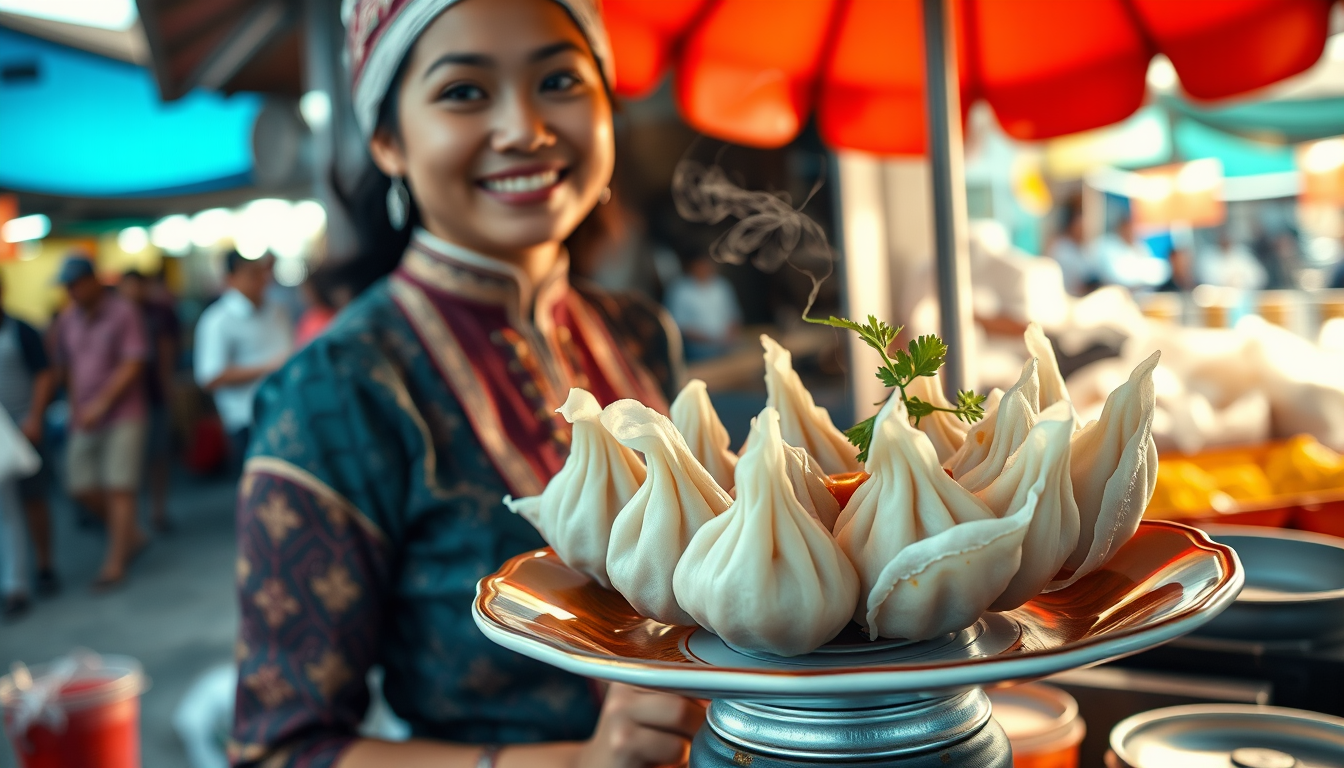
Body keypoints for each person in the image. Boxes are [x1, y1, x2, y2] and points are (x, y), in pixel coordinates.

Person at [229, 1, 700, 766]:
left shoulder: (639, 332)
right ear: (387, 139)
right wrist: (573, 763)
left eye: (558, 80)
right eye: (464, 92)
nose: (524, 128)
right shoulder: (337, 391)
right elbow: (281, 750)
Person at [50, 255, 149, 589]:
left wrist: (103, 402)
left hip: (123, 413)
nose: (71, 292)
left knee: (119, 486)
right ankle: (129, 534)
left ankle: (115, 562)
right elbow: (69, 370)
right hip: (85, 416)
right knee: (80, 486)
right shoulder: (67, 320)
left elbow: (133, 362)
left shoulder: (123, 312)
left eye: (75, 285)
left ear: (93, 281)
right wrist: (77, 407)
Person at [193, 252, 293, 466]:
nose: (260, 280)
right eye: (251, 274)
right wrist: (269, 366)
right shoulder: (217, 320)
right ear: (230, 279)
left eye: (261, 273)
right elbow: (210, 376)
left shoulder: (277, 309)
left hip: (286, 409)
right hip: (247, 417)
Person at [0, 272, 58, 617]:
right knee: (6, 512)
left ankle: (44, 566)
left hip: (25, 426)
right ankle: (14, 583)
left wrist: (35, 416)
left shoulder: (22, 330)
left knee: (34, 499)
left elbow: (44, 373)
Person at [119, 270, 181, 532]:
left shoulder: (159, 312)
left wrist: (167, 384)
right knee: (129, 462)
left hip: (153, 391)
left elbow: (169, 348)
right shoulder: (118, 315)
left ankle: (157, 509)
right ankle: (129, 520)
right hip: (124, 399)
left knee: (157, 454)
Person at [665, 254, 741, 361]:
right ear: (691, 266)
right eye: (700, 265)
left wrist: (729, 338)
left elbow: (733, 315)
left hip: (727, 349)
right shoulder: (679, 290)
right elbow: (679, 326)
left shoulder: (722, 285)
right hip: (697, 354)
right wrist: (714, 341)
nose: (704, 268)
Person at [1046, 200, 1098, 296]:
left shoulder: (1080, 247)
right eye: (1082, 222)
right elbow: (1079, 283)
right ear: (1072, 223)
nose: (1086, 227)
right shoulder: (1062, 249)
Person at [1198, 231, 1267, 291]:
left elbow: (1259, 276)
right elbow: (1207, 280)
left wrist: (1241, 281)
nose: (1225, 240)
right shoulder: (1209, 256)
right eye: (1222, 238)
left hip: (1245, 295)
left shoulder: (1242, 253)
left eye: (1226, 237)